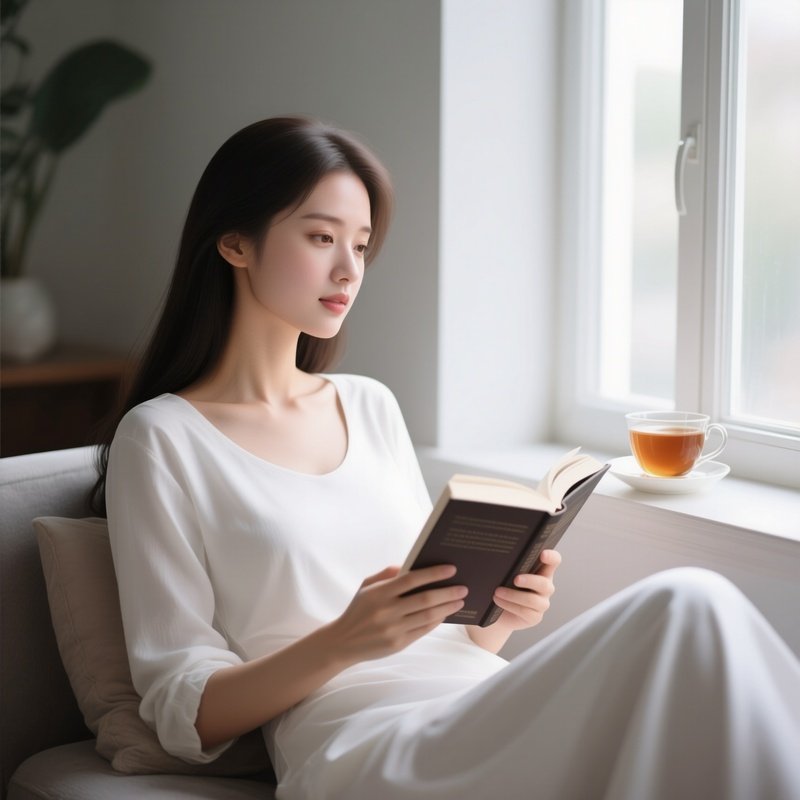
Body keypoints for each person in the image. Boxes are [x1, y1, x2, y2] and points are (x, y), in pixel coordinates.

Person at [91, 115, 800, 800]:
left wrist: (500, 619)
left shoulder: (368, 405)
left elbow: (439, 643)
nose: (348, 269)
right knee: (687, 604)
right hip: (361, 750)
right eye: (320, 237)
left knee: (696, 650)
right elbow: (182, 712)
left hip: (472, 706)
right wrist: (343, 641)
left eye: (363, 246)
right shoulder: (162, 439)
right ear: (235, 243)